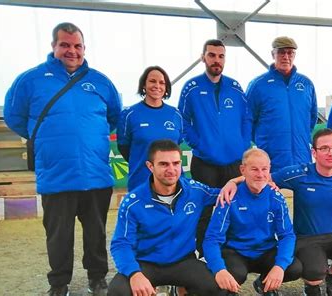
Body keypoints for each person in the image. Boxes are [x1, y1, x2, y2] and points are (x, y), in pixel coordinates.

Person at [4, 22, 122, 296]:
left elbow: (113, 118)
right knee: (58, 236)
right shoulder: (30, 80)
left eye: (77, 46)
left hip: (95, 174)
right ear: (53, 47)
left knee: (96, 234)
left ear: (84, 48)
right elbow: (14, 117)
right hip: (56, 175)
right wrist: (45, 137)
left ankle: (97, 278)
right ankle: (59, 284)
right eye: (65, 45)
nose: (72, 51)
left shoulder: (101, 82)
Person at [221, 129, 332, 296]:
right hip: (307, 238)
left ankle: (331, 272)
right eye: (324, 148)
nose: (331, 153)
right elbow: (261, 175)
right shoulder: (299, 173)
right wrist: (232, 182)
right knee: (314, 273)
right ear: (314, 152)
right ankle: (311, 285)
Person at [108, 139, 222, 296]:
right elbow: (120, 244)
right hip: (146, 263)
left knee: (220, 288)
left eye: (176, 163)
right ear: (150, 166)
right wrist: (134, 274)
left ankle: (180, 289)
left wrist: (237, 181)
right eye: (163, 164)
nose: (171, 169)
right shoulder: (133, 201)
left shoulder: (195, 190)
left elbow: (224, 194)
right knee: (118, 291)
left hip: (184, 261)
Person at [178, 39, 252, 257]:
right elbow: (182, 120)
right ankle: (202, 253)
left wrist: (243, 143)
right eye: (212, 55)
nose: (216, 60)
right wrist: (198, 143)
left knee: (234, 206)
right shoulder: (191, 88)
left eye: (221, 56)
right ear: (203, 58)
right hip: (205, 162)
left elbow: (247, 117)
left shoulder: (235, 87)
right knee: (203, 209)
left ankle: (230, 253)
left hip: (234, 162)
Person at [203, 148, 301, 296]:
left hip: (265, 250)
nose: (260, 174)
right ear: (243, 170)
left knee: (294, 268)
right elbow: (212, 239)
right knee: (230, 277)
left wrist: (279, 267)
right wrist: (219, 270)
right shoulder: (230, 197)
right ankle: (230, 290)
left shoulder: (276, 197)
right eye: (254, 169)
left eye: (264, 169)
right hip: (236, 252)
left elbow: (287, 235)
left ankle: (265, 285)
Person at [246, 36, 318, 172]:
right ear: (273, 54)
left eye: (290, 52)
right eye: (281, 52)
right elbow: (248, 120)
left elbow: (311, 118)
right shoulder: (258, 85)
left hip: (302, 159)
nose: (286, 56)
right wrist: (267, 142)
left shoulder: (306, 84)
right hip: (271, 161)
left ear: (294, 55)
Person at [117, 66, 183, 191]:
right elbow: (124, 147)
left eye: (162, 82)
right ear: (144, 85)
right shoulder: (130, 114)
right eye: (152, 81)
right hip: (141, 182)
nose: (157, 86)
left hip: (172, 184)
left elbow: (177, 144)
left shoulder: (175, 114)